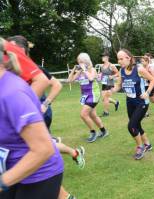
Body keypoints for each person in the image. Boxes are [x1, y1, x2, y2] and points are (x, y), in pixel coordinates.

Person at [6, 35, 81, 199]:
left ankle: (72, 155)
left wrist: (44, 104)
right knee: (41, 150)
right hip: (22, 119)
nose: (8, 53)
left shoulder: (33, 67)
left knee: (41, 150)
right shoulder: (10, 73)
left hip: (36, 115)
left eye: (13, 49)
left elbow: (55, 84)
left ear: (23, 50)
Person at [0, 38, 64, 198]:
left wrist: (2, 182)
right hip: (11, 168)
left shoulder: (12, 94)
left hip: (39, 174)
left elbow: (43, 149)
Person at [112, 49, 154, 160]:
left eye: (121, 58)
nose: (120, 61)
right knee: (136, 124)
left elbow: (153, 79)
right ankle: (147, 144)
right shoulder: (121, 70)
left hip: (141, 102)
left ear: (129, 58)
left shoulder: (139, 69)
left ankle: (140, 147)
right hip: (130, 102)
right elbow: (119, 85)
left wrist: (147, 92)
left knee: (131, 126)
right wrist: (111, 91)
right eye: (118, 59)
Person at [68, 53, 108, 143]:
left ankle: (93, 133)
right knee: (93, 115)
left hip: (94, 95)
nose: (79, 63)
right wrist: (74, 69)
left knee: (83, 114)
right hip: (86, 96)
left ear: (86, 61)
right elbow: (70, 80)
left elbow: (90, 78)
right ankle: (104, 131)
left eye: (81, 61)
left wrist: (84, 69)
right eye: (78, 61)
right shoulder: (80, 71)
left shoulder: (91, 69)